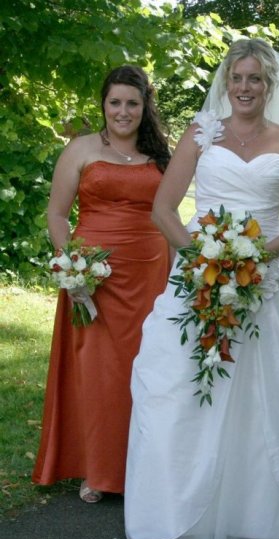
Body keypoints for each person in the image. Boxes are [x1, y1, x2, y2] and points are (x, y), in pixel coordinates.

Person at [123, 38, 279, 539]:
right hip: (198, 275)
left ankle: (254, 513)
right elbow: (165, 209)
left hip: (260, 281)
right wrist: (202, 259)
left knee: (264, 389)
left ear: (269, 85)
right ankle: (177, 508)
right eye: (237, 78)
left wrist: (254, 257)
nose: (244, 87)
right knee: (180, 383)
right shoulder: (202, 133)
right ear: (225, 82)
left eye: (255, 79)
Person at [32, 66, 171, 503]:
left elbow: (170, 214)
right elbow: (57, 215)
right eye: (115, 102)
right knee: (99, 373)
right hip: (94, 279)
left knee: (148, 370)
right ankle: (99, 470)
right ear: (103, 104)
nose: (123, 111)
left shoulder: (160, 153)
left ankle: (146, 468)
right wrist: (71, 267)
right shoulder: (81, 149)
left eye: (133, 103)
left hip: (151, 273)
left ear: (144, 105)